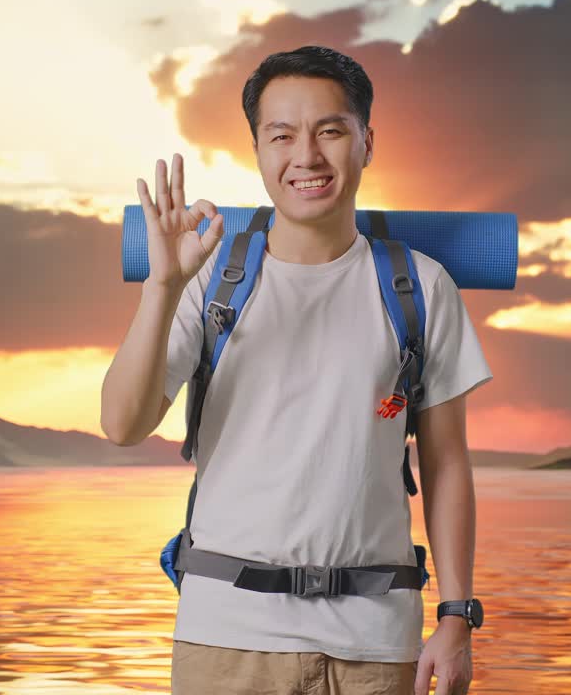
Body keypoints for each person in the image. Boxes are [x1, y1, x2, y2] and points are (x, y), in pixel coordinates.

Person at [100, 45, 492, 695]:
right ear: (257, 150)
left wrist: (457, 617)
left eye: (330, 131)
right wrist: (161, 286)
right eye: (281, 135)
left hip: (375, 639)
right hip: (225, 636)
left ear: (366, 142)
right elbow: (121, 424)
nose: (306, 156)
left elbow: (446, 462)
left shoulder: (421, 287)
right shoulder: (209, 280)